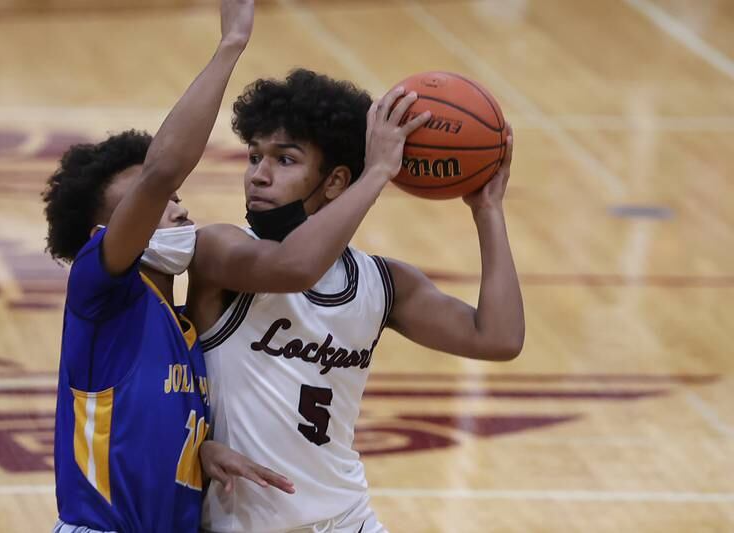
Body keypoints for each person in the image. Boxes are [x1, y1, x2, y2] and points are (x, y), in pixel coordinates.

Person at [187, 69, 524, 532]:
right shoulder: (220, 250)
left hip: (349, 519)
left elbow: (499, 338)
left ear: (335, 181)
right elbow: (294, 268)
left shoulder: (382, 282)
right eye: (254, 157)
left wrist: (488, 210)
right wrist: (378, 172)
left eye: (285, 160)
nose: (258, 176)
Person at [43, 2, 292, 532]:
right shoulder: (100, 297)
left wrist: (202, 453)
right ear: (104, 232)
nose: (176, 206)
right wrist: (231, 44)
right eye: (152, 200)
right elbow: (162, 170)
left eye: (177, 197)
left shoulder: (183, 329)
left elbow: (142, 436)